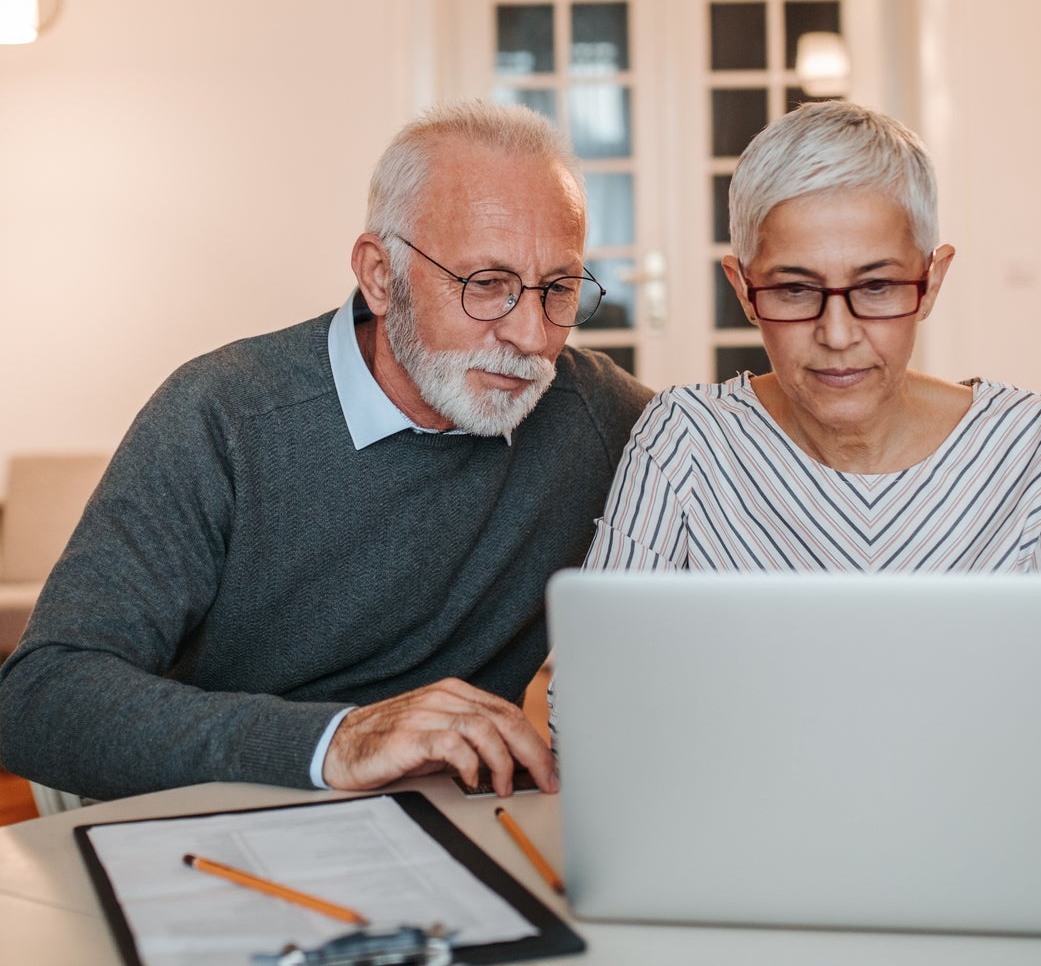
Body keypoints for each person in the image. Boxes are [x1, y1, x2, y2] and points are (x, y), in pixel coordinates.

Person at [0, 100, 651, 802]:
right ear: (379, 274)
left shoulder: (593, 412)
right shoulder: (222, 414)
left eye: (557, 289)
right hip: (206, 810)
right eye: (485, 285)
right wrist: (336, 741)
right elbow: (41, 698)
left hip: (447, 825)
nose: (531, 334)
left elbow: (739, 442)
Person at [580, 101, 1041, 771]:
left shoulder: (1037, 448)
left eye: (878, 286)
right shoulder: (682, 439)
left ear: (932, 279)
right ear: (743, 289)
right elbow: (595, 700)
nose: (837, 335)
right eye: (795, 290)